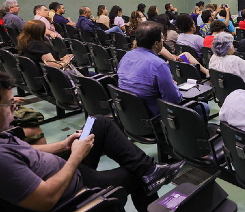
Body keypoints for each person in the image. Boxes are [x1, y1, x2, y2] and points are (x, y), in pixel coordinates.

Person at [0, 71, 185, 212]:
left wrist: (64, 145)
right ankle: (148, 174)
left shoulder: (3, 135)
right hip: (72, 190)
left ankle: (149, 170)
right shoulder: (2, 160)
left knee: (100, 123)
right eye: (9, 105)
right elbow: (45, 199)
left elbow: (29, 151)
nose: (14, 110)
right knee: (135, 175)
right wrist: (75, 156)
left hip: (65, 169)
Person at [118, 21, 209, 117]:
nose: (163, 41)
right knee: (203, 107)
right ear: (156, 44)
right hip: (156, 118)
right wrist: (172, 86)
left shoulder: (126, 56)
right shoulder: (159, 65)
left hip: (130, 115)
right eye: (162, 38)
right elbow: (174, 100)